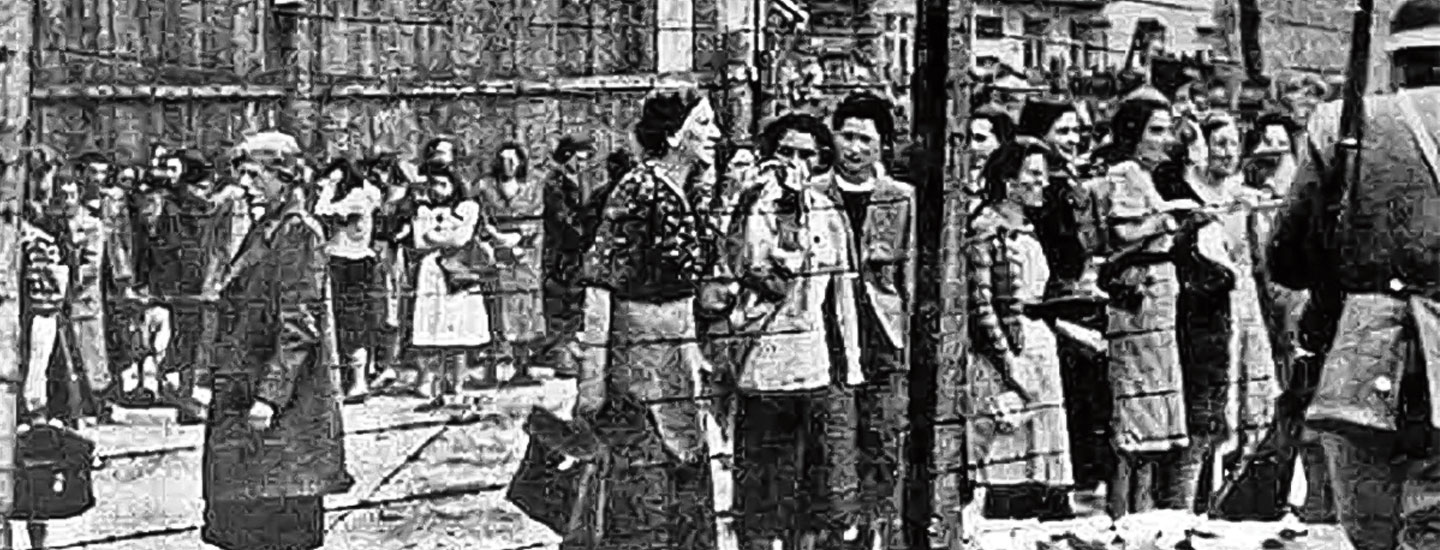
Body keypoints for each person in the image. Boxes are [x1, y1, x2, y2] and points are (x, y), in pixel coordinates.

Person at [1268, 1, 1440, 547]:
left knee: (1372, 532)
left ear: (1396, 62)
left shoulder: (1345, 123)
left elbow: (1286, 258)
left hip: (1362, 362)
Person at [569, 87, 730, 550]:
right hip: (636, 374)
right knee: (643, 503)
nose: (715, 133)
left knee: (684, 494)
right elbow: (600, 288)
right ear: (675, 134)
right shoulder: (639, 187)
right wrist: (592, 383)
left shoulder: (687, 190)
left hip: (677, 366)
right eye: (703, 123)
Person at [202, 131, 353, 550]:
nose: (244, 185)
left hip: (279, 407)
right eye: (241, 174)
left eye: (254, 175)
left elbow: (299, 324)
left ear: (283, 178)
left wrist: (269, 397)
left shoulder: (297, 231)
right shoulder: (265, 227)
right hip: (246, 391)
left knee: (274, 521)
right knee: (244, 522)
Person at [729, 113, 861, 550]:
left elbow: (843, 292)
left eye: (807, 154)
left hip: (815, 366)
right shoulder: (756, 207)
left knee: (812, 495)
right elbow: (757, 274)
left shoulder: (828, 211)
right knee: (765, 492)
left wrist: (851, 363)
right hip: (763, 363)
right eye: (786, 152)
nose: (796, 162)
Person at [811, 92, 916, 550]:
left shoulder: (901, 198)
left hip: (882, 332)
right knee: (835, 438)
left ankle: (881, 529)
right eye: (846, 136)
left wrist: (907, 340)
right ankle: (842, 530)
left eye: (865, 140)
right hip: (830, 332)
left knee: (884, 434)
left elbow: (907, 276)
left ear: (882, 146)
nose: (853, 148)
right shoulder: (813, 192)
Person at [1093, 87, 1198, 517]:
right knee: (1135, 408)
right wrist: (1169, 215)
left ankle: (1142, 511)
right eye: (1155, 130)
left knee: (1152, 408)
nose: (1163, 138)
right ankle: (1125, 513)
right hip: (1138, 297)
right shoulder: (1124, 174)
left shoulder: (1145, 176)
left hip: (1157, 296)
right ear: (1134, 134)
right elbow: (1124, 232)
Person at [963, 139, 1075, 520]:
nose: (1042, 183)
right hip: (1006, 357)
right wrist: (1009, 363)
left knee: (1044, 464)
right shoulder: (986, 230)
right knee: (1007, 456)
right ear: (1008, 182)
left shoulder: (1027, 229)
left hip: (1039, 350)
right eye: (1033, 174)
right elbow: (983, 305)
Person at [313, 157, 383, 403]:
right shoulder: (362, 193)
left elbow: (322, 211)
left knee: (353, 320)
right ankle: (347, 379)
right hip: (342, 260)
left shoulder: (358, 196)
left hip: (351, 262)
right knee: (340, 320)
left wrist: (328, 187)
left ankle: (358, 380)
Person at [475, 142, 545, 387]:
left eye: (513, 160)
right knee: (497, 307)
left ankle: (523, 364)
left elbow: (537, 218)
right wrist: (495, 240)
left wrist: (520, 241)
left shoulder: (533, 186)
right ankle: (495, 365)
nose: (509, 165)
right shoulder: (486, 187)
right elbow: (481, 219)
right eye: (503, 159)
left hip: (525, 256)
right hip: (496, 252)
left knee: (524, 306)